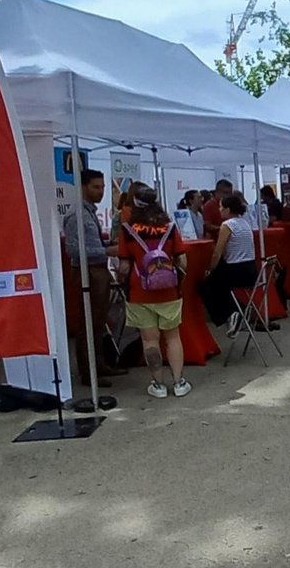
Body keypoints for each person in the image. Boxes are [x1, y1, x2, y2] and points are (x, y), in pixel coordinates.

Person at [118, 185, 192, 399]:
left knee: (149, 340)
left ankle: (158, 385)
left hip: (139, 292)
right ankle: (179, 383)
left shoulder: (127, 230)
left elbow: (123, 267)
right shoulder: (169, 228)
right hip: (168, 291)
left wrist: (123, 279)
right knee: (173, 337)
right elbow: (183, 261)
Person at [63, 168, 124, 387]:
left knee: (98, 322)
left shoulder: (89, 212)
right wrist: (107, 251)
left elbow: (94, 244)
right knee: (87, 322)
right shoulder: (76, 216)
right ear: (84, 187)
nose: (100, 191)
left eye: (103, 187)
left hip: (98, 269)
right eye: (96, 187)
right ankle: (88, 372)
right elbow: (74, 250)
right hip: (86, 271)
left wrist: (108, 246)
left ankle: (99, 364)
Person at [198, 192, 258, 333]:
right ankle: (240, 310)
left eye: (221, 207)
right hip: (251, 270)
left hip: (235, 270)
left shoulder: (227, 225)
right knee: (217, 285)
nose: (219, 210)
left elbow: (218, 252)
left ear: (228, 209)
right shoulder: (245, 223)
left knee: (206, 287)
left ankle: (233, 314)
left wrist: (210, 268)